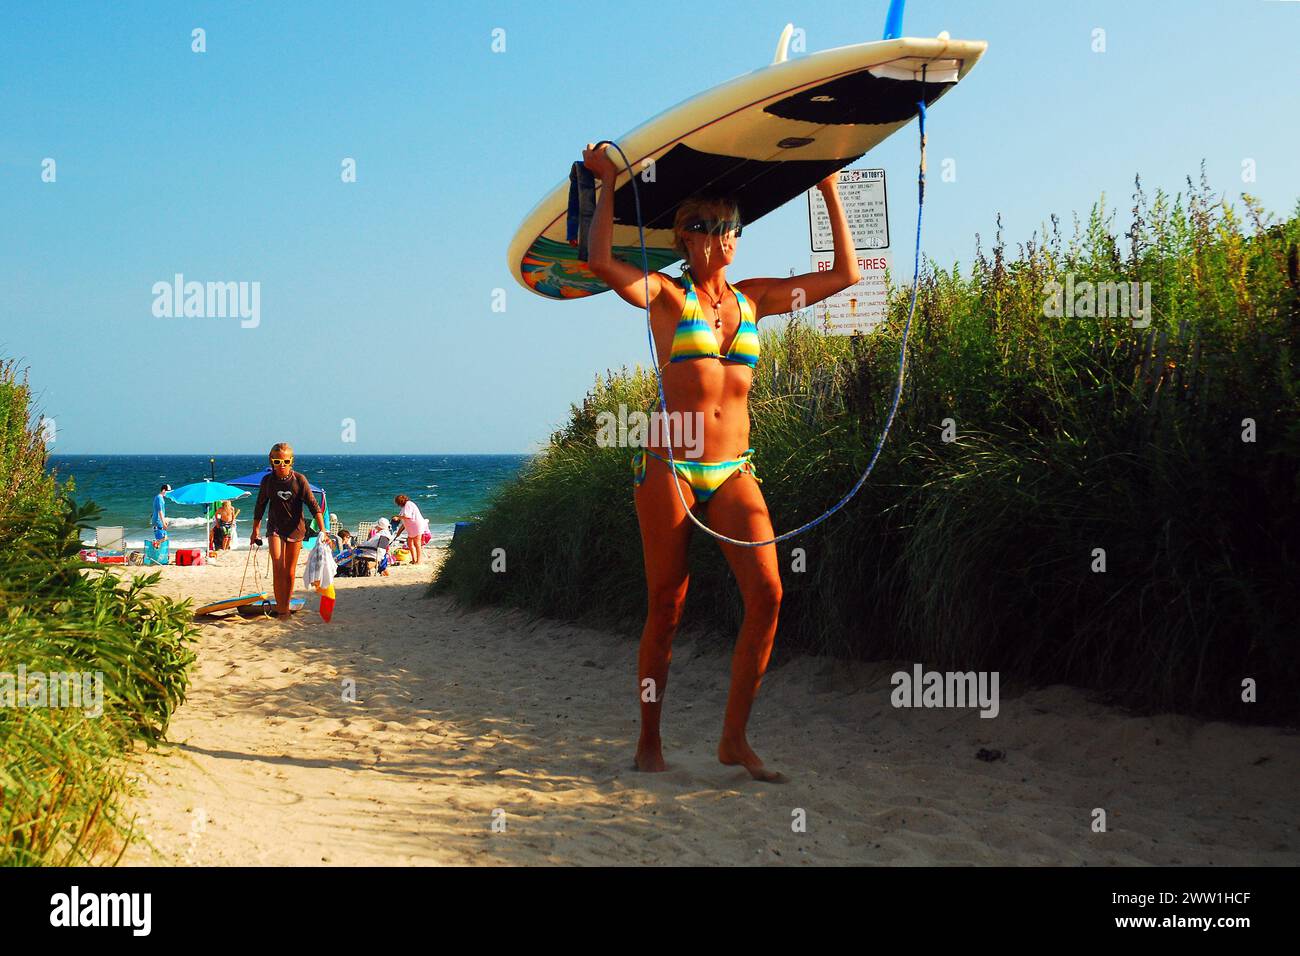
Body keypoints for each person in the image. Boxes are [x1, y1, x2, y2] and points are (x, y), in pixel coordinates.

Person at [583, 143, 861, 782]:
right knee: (667, 606)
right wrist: (608, 184)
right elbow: (598, 260)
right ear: (683, 236)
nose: (722, 236)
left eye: (731, 225)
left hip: (735, 468)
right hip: (670, 468)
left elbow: (845, 275)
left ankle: (733, 740)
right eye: (706, 225)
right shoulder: (666, 298)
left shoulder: (757, 299)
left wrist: (827, 188)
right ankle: (649, 741)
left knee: (768, 593)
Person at [249, 443, 328, 618]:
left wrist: (323, 531)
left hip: (296, 529)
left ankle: (285, 605)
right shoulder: (267, 481)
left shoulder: (299, 480)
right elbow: (260, 505)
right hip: (275, 528)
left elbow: (314, 506)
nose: (281, 465)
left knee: (290, 571)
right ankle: (282, 610)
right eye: (277, 461)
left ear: (291, 461)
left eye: (285, 461)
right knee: (278, 568)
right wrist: (255, 530)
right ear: (271, 461)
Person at [394, 494, 427, 565]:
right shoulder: (404, 507)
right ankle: (414, 559)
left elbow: (407, 516)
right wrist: (398, 533)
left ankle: (419, 561)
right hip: (412, 527)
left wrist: (398, 517)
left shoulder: (408, 504)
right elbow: (404, 523)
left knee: (417, 543)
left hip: (416, 526)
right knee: (409, 543)